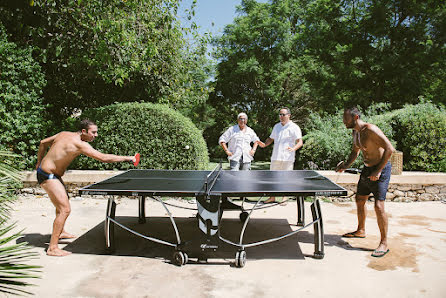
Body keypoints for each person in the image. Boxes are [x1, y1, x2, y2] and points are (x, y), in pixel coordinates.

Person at [36, 119, 137, 257]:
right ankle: (52, 248)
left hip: (48, 172)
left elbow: (43, 143)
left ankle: (61, 232)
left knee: (61, 204)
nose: (95, 135)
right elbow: (103, 158)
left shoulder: (63, 133)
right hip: (48, 176)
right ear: (84, 131)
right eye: (93, 132)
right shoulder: (80, 144)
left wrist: (38, 163)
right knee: (65, 210)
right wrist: (128, 158)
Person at [335, 106, 395, 258]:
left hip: (381, 169)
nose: (343, 121)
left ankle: (384, 243)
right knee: (360, 199)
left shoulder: (371, 130)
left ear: (355, 118)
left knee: (379, 205)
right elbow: (355, 152)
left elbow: (390, 149)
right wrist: (345, 165)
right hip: (367, 169)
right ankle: (361, 230)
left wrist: (379, 170)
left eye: (345, 118)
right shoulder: (356, 132)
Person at [259, 108, 303, 203]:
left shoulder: (294, 127)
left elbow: (300, 142)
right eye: (280, 114)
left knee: (286, 179)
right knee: (273, 178)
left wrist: (293, 149)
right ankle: (272, 197)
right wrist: (265, 144)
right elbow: (271, 138)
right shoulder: (277, 126)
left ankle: (284, 198)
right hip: (276, 157)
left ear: (289, 115)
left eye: (283, 114)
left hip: (288, 158)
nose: (281, 117)